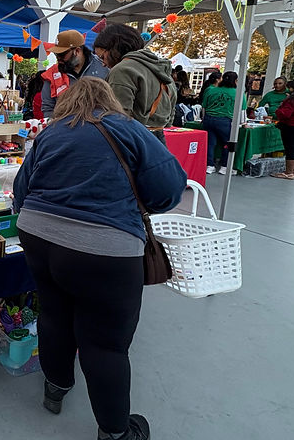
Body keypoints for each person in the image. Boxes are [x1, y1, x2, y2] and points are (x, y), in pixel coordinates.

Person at [12, 77, 186, 440]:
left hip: (39, 234)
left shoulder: (51, 131)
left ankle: (55, 388)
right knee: (105, 342)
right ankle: (116, 432)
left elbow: (21, 190)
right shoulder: (129, 128)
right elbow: (169, 189)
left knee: (54, 315)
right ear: (109, 100)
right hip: (105, 248)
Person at [93, 24, 176, 142]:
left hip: (134, 138)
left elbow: (118, 117)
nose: (103, 64)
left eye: (102, 57)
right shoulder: (160, 66)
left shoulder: (122, 70)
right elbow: (171, 110)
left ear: (114, 48)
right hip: (158, 137)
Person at [40, 30, 109, 118]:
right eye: (56, 54)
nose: (58, 58)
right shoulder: (51, 75)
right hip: (64, 128)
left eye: (62, 54)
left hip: (98, 126)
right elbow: (48, 108)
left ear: (77, 51)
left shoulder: (103, 67)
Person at [201, 71, 247, 175]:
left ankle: (209, 166)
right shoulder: (238, 93)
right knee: (227, 144)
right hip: (225, 121)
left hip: (209, 119)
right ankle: (224, 167)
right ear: (235, 81)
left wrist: (204, 119)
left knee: (210, 143)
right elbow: (242, 110)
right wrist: (244, 123)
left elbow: (204, 106)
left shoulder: (210, 90)